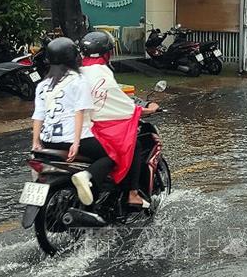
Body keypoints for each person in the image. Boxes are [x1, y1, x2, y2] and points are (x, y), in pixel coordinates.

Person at [79, 31, 160, 209]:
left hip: (63, 134)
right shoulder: (100, 73)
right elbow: (119, 105)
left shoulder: (75, 73)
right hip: (90, 130)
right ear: (107, 53)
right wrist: (144, 110)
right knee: (133, 145)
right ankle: (132, 194)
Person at [31, 37, 113, 206]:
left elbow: (38, 115)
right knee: (111, 155)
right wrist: (75, 143)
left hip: (47, 141)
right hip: (70, 140)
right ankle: (87, 177)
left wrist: (36, 142)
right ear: (74, 58)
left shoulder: (42, 85)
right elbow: (79, 113)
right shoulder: (78, 80)